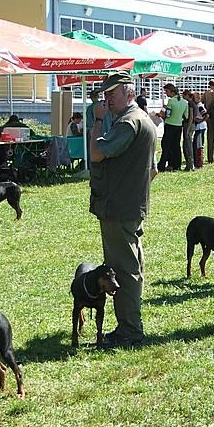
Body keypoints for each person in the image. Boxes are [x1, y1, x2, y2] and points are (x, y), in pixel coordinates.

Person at [89, 72, 156, 347]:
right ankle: (130, 325)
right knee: (131, 267)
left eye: (112, 94)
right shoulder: (143, 120)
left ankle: (130, 330)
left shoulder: (128, 122)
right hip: (129, 205)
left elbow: (96, 153)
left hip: (118, 207)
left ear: (129, 93)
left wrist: (95, 121)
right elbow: (152, 171)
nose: (107, 100)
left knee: (123, 270)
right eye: (105, 95)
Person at [157, 83, 188, 171]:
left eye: (166, 91)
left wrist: (161, 115)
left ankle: (162, 165)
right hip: (179, 126)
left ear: (171, 91)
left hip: (170, 125)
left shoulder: (171, 101)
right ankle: (177, 164)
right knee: (176, 146)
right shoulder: (184, 102)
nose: (166, 93)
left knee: (166, 145)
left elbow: (168, 115)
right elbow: (185, 115)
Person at [192, 92, 208, 168]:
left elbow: (206, 115)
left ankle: (199, 162)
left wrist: (200, 121)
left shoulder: (199, 106)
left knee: (198, 145)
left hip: (200, 127)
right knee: (197, 144)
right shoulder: (196, 105)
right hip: (199, 127)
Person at [182, 90, 196, 171]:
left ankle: (190, 165)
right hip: (191, 125)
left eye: (184, 95)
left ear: (187, 95)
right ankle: (190, 164)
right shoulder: (192, 103)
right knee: (187, 144)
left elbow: (190, 116)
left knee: (188, 145)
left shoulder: (190, 103)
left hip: (189, 125)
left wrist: (187, 128)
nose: (183, 97)